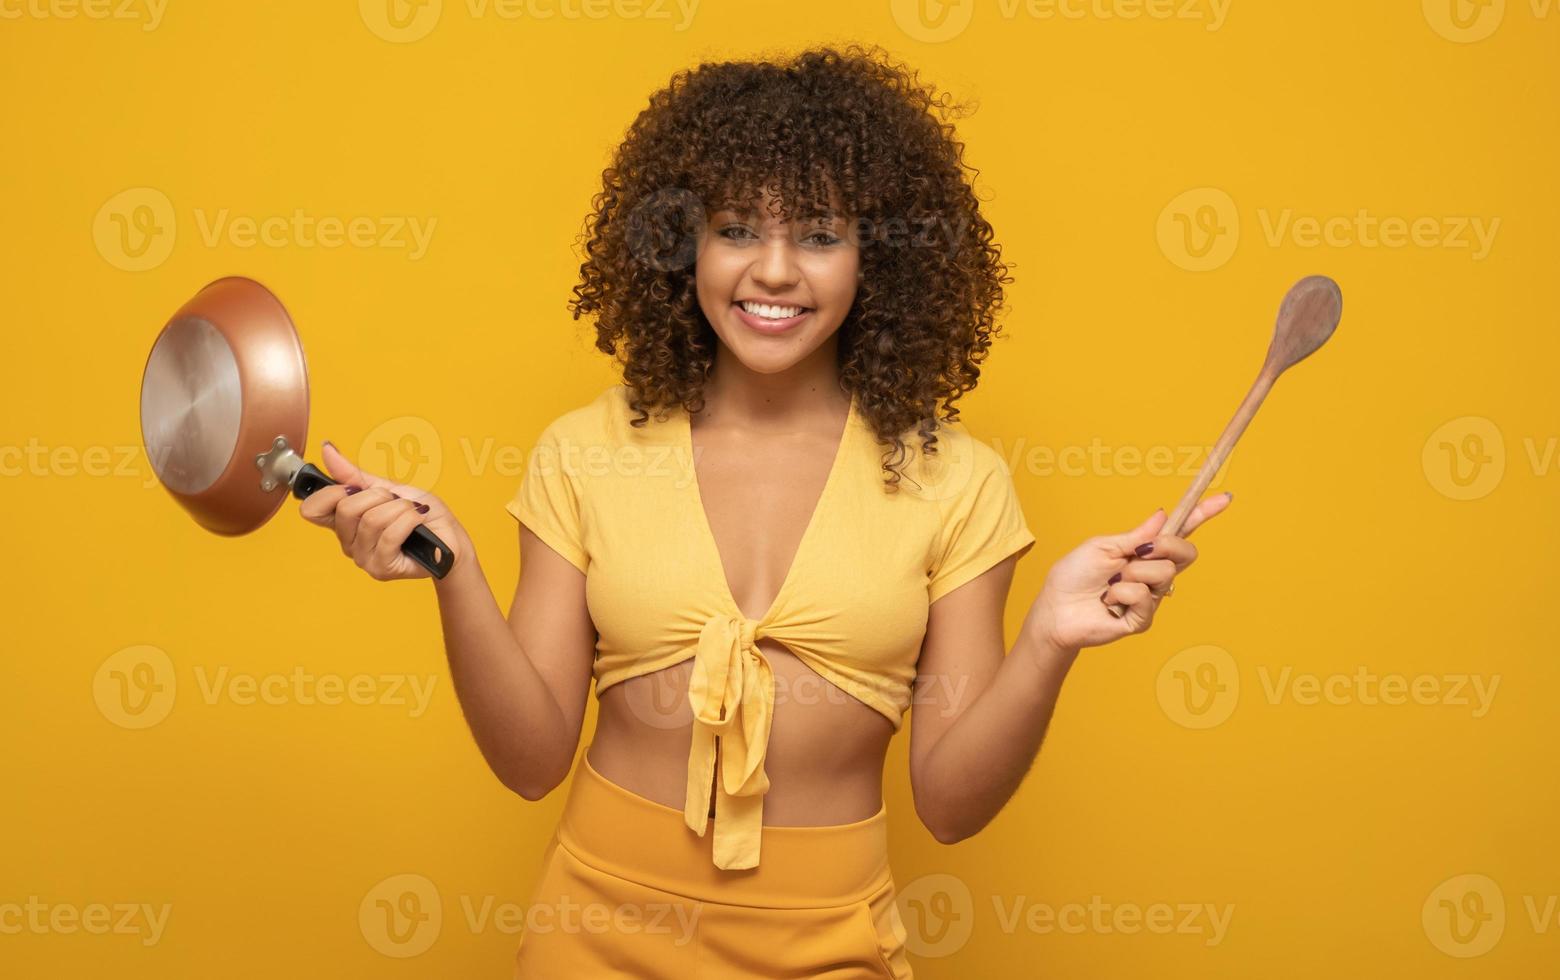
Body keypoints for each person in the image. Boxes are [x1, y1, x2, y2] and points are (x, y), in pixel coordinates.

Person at [300, 43, 1231, 979]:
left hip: (830, 934)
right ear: (682, 245)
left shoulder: (960, 482)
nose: (775, 271)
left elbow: (949, 806)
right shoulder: (584, 452)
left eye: (821, 235)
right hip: (593, 928)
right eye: (738, 229)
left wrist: (1048, 644)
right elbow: (530, 759)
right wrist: (451, 574)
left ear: (879, 258)